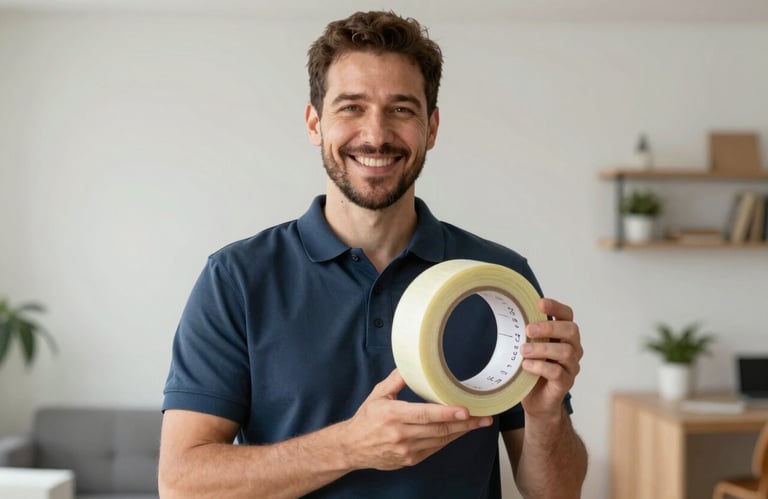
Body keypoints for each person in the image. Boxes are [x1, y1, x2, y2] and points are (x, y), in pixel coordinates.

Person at [159, 10, 587, 499]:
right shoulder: (236, 279)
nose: (376, 134)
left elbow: (558, 493)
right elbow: (182, 485)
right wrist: (350, 447)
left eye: (402, 109)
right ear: (315, 123)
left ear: (432, 127)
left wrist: (547, 415)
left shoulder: (498, 278)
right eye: (351, 107)